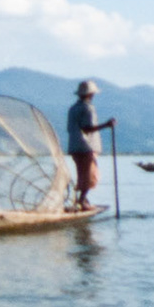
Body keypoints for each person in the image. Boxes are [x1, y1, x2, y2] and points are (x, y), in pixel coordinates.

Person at [66, 80, 114, 210]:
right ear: (91, 94)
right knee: (90, 175)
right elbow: (87, 128)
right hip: (86, 147)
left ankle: (81, 200)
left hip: (75, 147)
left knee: (82, 174)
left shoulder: (73, 108)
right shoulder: (88, 108)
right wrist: (107, 125)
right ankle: (82, 201)